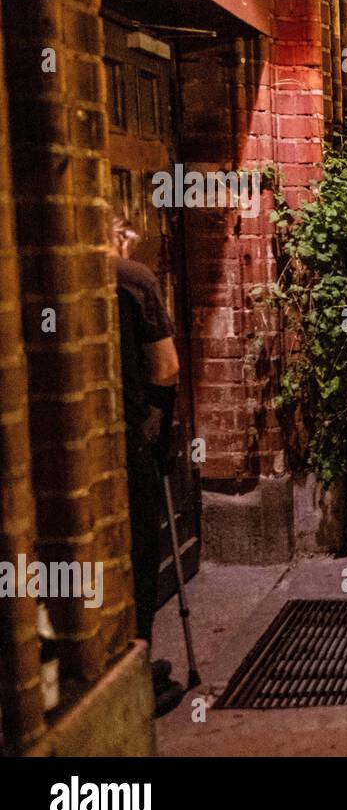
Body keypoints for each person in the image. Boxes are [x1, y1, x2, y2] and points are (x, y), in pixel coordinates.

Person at [111, 215, 186, 718]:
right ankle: (132, 671)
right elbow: (166, 366)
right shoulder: (133, 280)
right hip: (128, 439)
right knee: (139, 552)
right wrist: (158, 425)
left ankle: (118, 662)